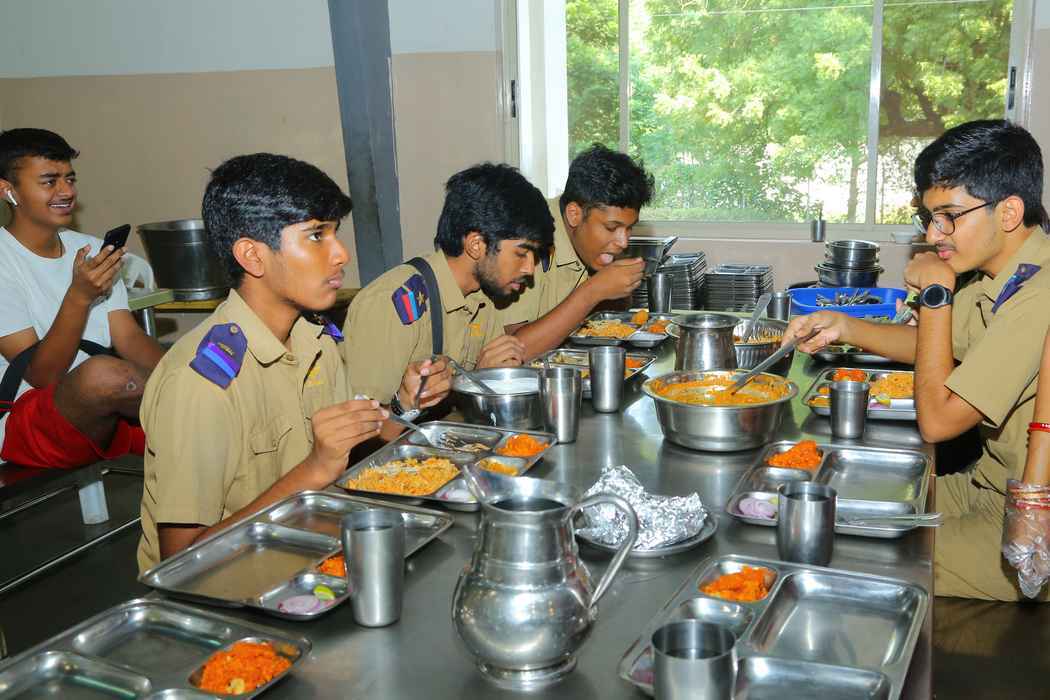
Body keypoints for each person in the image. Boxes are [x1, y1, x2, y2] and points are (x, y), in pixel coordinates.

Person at [137, 153, 447, 572]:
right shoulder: (199, 384)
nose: (341, 254)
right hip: (230, 584)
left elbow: (351, 458)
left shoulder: (315, 340)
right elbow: (180, 561)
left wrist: (403, 407)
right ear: (252, 256)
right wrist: (313, 470)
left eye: (335, 233)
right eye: (316, 236)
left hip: (309, 555)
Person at [784, 119, 1050, 601]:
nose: (933, 233)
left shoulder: (1039, 293)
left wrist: (936, 294)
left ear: (1009, 212)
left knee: (849, 554)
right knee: (832, 509)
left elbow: (938, 422)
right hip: (986, 487)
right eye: (929, 217)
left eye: (949, 216)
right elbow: (935, 343)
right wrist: (845, 326)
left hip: (1031, 526)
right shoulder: (1004, 276)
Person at [0, 128, 164, 469]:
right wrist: (79, 297)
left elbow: (129, 338)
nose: (67, 191)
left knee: (201, 360)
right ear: (7, 190)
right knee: (102, 374)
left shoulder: (88, 248)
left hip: (107, 410)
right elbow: (42, 376)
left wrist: (184, 371)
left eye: (70, 179)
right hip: (24, 420)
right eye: (49, 181)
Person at [342, 163, 553, 414]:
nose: (530, 268)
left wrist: (482, 377)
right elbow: (365, 428)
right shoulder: (389, 305)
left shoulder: (484, 297)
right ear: (476, 245)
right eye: (521, 253)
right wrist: (475, 381)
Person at [498, 144, 655, 358]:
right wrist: (594, 290)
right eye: (611, 228)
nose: (623, 242)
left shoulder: (593, 242)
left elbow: (606, 320)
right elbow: (515, 352)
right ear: (574, 214)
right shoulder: (526, 239)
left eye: (629, 228)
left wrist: (618, 289)